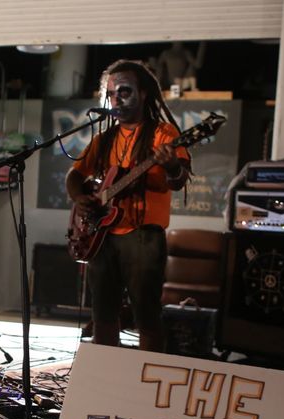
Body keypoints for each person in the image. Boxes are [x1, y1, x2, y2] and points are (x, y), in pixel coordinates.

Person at [66, 59, 191, 352]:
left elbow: (178, 181)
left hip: (143, 235)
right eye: (111, 94)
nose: (116, 99)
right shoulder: (104, 139)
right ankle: (107, 371)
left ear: (143, 93)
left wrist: (172, 165)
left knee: (146, 314)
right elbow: (75, 175)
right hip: (102, 236)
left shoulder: (163, 134)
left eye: (124, 91)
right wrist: (79, 199)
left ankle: (147, 373)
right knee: (103, 314)